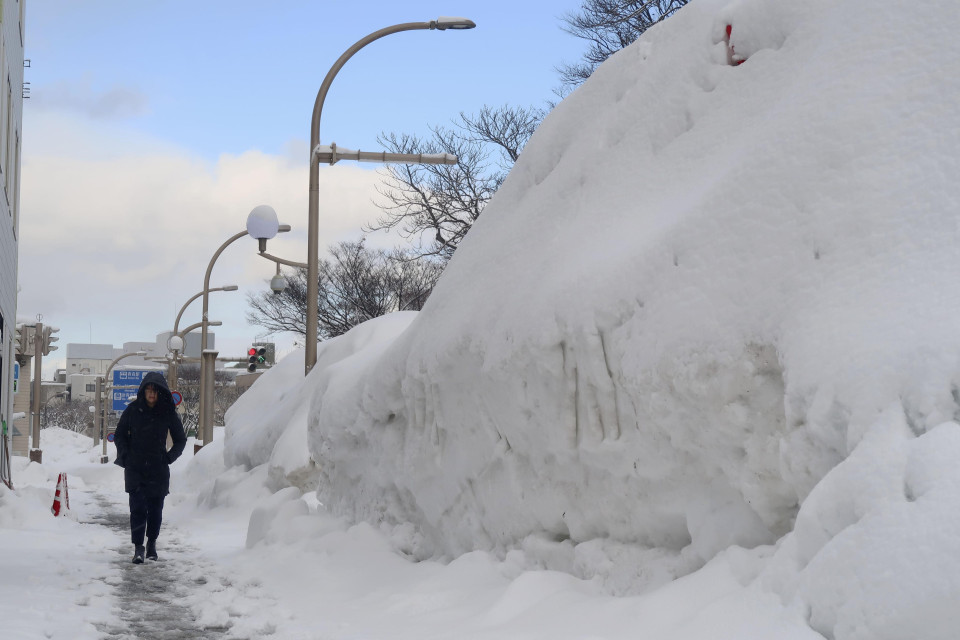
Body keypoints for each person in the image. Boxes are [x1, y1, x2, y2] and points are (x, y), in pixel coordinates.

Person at [113, 371, 187, 564]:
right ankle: (138, 547)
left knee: (155, 510)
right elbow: (119, 434)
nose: (151, 394)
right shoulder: (133, 410)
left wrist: (169, 458)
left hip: (158, 469)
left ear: (160, 392)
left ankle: (151, 543)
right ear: (143, 391)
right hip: (135, 468)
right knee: (137, 509)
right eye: (148, 390)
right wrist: (126, 454)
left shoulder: (167, 412)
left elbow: (180, 440)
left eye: (155, 390)